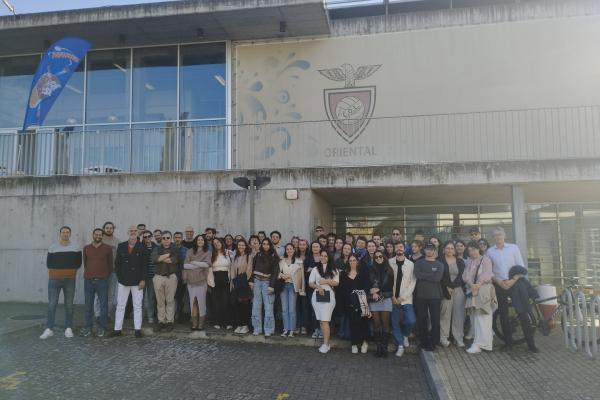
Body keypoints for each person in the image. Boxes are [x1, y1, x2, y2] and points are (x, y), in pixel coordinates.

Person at [486, 226, 527, 351]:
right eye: (496, 235)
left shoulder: (513, 248)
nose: (498, 237)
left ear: (504, 236)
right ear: (493, 237)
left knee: (522, 312)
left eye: (500, 234)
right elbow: (489, 271)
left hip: (514, 284)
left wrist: (512, 280)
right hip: (499, 285)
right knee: (503, 314)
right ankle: (508, 343)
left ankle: (529, 342)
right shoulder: (490, 251)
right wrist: (499, 282)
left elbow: (521, 267)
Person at [40, 226, 82, 340]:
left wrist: (70, 272)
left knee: (69, 305)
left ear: (70, 234)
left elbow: (78, 263)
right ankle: (49, 329)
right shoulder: (53, 247)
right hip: (54, 280)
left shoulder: (76, 247)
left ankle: (68, 328)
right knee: (52, 304)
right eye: (63, 232)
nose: (65, 234)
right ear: (60, 234)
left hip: (69, 280)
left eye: (67, 232)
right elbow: (49, 264)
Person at [112, 226, 147, 338]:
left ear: (138, 233)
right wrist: (119, 277)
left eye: (135, 231)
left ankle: (137, 330)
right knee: (120, 306)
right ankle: (117, 330)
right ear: (128, 232)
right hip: (123, 281)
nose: (133, 232)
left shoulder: (142, 246)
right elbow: (117, 263)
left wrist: (143, 279)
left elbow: (144, 265)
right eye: (131, 231)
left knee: (137, 306)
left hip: (138, 281)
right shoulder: (121, 245)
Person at [463, 241, 495, 354]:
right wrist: (472, 285)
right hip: (472, 291)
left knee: (483, 316)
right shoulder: (469, 261)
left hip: (483, 291)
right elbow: (465, 275)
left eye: (473, 249)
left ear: (478, 249)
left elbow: (487, 274)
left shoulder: (486, 260)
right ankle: (480, 342)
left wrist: (478, 285)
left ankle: (482, 344)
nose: (471, 252)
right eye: (469, 250)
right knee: (475, 318)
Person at [81, 228, 113, 338]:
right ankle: (88, 327)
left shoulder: (108, 248)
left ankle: (102, 327)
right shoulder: (86, 248)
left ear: (102, 236)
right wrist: (91, 273)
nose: (98, 236)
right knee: (88, 306)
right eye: (96, 234)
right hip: (88, 281)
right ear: (93, 235)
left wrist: (103, 275)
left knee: (103, 305)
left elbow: (110, 265)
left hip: (102, 281)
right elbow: (85, 264)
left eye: (100, 235)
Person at [414, 242, 444, 351]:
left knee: (435, 320)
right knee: (422, 319)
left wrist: (424, 275)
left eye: (431, 249)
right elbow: (417, 275)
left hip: (435, 296)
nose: (429, 251)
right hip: (421, 296)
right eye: (427, 249)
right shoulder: (418, 263)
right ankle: (423, 341)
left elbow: (437, 279)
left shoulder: (440, 265)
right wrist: (431, 275)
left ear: (435, 251)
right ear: (424, 250)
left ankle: (433, 342)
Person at [388, 242, 416, 357]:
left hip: (406, 299)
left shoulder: (410, 264)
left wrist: (402, 297)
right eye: (397, 247)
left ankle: (405, 335)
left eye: (401, 247)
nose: (399, 249)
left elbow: (413, 282)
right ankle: (400, 345)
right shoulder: (389, 262)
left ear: (404, 249)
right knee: (394, 323)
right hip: (393, 299)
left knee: (411, 320)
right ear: (394, 249)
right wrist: (392, 296)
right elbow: (387, 281)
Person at [309, 250, 339, 354]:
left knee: (325, 320)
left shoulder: (334, 269)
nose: (323, 257)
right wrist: (318, 286)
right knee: (321, 321)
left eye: (325, 256)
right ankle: (326, 343)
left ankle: (326, 344)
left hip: (329, 296)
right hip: (317, 296)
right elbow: (310, 283)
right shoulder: (315, 269)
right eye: (321, 255)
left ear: (329, 257)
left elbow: (336, 283)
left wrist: (326, 281)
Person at [340, 254, 371, 354]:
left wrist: (361, 298)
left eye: (354, 260)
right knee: (353, 323)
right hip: (350, 303)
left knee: (364, 323)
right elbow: (343, 290)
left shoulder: (363, 273)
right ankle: (354, 344)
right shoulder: (344, 274)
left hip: (362, 302)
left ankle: (365, 343)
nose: (352, 262)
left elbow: (367, 287)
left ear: (357, 262)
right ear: (348, 262)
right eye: (350, 261)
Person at [249, 238, 279, 337]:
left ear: (270, 246)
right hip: (257, 281)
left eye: (267, 244)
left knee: (268, 307)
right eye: (264, 244)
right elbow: (253, 268)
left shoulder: (273, 256)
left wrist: (271, 286)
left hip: (267, 282)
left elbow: (275, 272)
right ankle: (257, 328)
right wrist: (251, 281)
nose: (265, 246)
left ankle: (269, 329)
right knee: (256, 306)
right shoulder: (258, 255)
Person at [151, 230, 180, 332]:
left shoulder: (175, 249)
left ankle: (169, 322)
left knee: (170, 300)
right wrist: (168, 255)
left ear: (171, 238)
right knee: (160, 301)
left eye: (168, 238)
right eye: (164, 238)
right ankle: (161, 321)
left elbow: (174, 260)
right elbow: (154, 259)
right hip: (158, 277)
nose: (166, 240)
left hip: (171, 277)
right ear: (161, 239)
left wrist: (161, 257)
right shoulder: (156, 248)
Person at [439, 241, 466, 348]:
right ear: (444, 249)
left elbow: (462, 276)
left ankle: (458, 338)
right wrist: (447, 287)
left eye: (451, 248)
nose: (449, 250)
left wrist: (452, 286)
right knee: (445, 313)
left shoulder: (459, 261)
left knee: (459, 315)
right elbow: (440, 276)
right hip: (445, 290)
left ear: (454, 250)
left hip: (458, 290)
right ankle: (443, 337)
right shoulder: (440, 261)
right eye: (448, 248)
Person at [368, 250, 394, 357]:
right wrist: (371, 291)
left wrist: (378, 292)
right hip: (374, 300)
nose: (378, 258)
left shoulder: (389, 270)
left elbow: (390, 288)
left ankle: (385, 348)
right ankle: (378, 348)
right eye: (376, 257)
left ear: (384, 257)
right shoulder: (370, 270)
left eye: (380, 256)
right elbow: (368, 284)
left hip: (386, 298)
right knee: (376, 324)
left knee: (385, 323)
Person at [507, 265, 540, 353]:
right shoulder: (518, 282)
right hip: (522, 307)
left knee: (527, 325)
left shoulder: (521, 281)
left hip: (523, 306)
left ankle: (531, 345)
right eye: (521, 274)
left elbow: (530, 289)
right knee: (526, 326)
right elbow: (530, 291)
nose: (523, 276)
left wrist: (534, 294)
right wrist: (534, 295)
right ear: (517, 274)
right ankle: (531, 346)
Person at [183, 234, 211, 331]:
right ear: (196, 241)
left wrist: (194, 262)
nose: (200, 241)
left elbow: (206, 264)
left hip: (202, 281)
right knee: (193, 302)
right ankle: (194, 323)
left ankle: (201, 324)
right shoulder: (190, 251)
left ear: (204, 242)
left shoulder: (207, 252)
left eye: (202, 240)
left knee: (201, 303)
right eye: (198, 239)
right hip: (191, 281)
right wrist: (199, 265)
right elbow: (185, 265)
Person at [279, 243, 305, 337]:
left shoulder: (299, 261)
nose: (289, 251)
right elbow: (277, 272)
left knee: (292, 310)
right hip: (283, 286)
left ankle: (292, 330)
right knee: (284, 309)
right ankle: (286, 329)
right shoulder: (282, 260)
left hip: (293, 286)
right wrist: (282, 276)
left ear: (294, 250)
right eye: (287, 249)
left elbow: (301, 276)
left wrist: (302, 289)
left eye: (291, 249)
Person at [230, 239, 252, 334]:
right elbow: (232, 270)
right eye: (239, 245)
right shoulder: (235, 257)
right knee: (237, 305)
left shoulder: (249, 257)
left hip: (244, 283)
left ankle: (245, 325)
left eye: (243, 245)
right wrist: (234, 282)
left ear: (246, 246)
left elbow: (249, 270)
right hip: (236, 283)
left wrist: (244, 281)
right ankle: (239, 324)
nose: (241, 247)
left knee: (245, 306)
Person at [211, 238, 232, 329]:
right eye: (214, 243)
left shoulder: (228, 253)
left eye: (218, 242)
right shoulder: (212, 254)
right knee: (216, 301)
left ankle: (227, 322)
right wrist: (210, 281)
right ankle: (217, 322)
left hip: (225, 277)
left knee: (225, 301)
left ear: (221, 243)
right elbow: (209, 269)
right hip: (215, 277)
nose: (216, 244)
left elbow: (232, 266)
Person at [101, 221, 120, 319]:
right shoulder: (99, 240)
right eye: (107, 228)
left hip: (113, 272)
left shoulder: (117, 241)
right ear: (104, 229)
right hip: (100, 272)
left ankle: (106, 315)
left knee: (110, 295)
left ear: (113, 229)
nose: (109, 229)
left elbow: (120, 257)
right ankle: (98, 315)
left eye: (111, 228)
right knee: (99, 295)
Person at [304, 241, 322, 338]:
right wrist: (309, 270)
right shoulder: (307, 259)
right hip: (311, 288)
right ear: (311, 248)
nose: (315, 248)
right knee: (313, 310)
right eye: (313, 247)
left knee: (322, 309)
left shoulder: (323, 258)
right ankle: (315, 329)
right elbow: (304, 273)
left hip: (322, 288)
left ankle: (322, 330)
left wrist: (313, 269)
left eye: (317, 246)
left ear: (320, 248)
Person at [142, 230, 158, 325]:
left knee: (151, 297)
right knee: (141, 298)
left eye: (149, 236)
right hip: (142, 277)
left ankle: (150, 316)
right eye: (145, 237)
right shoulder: (140, 247)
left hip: (153, 276)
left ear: (151, 237)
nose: (147, 238)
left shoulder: (156, 247)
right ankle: (141, 315)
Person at [173, 231, 190, 323]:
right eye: (176, 237)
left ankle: (179, 316)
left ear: (182, 238)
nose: (177, 239)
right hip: (171, 277)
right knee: (171, 298)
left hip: (181, 278)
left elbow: (188, 264)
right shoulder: (170, 249)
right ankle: (171, 315)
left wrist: (185, 277)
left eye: (179, 237)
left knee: (181, 298)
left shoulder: (186, 250)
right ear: (173, 238)